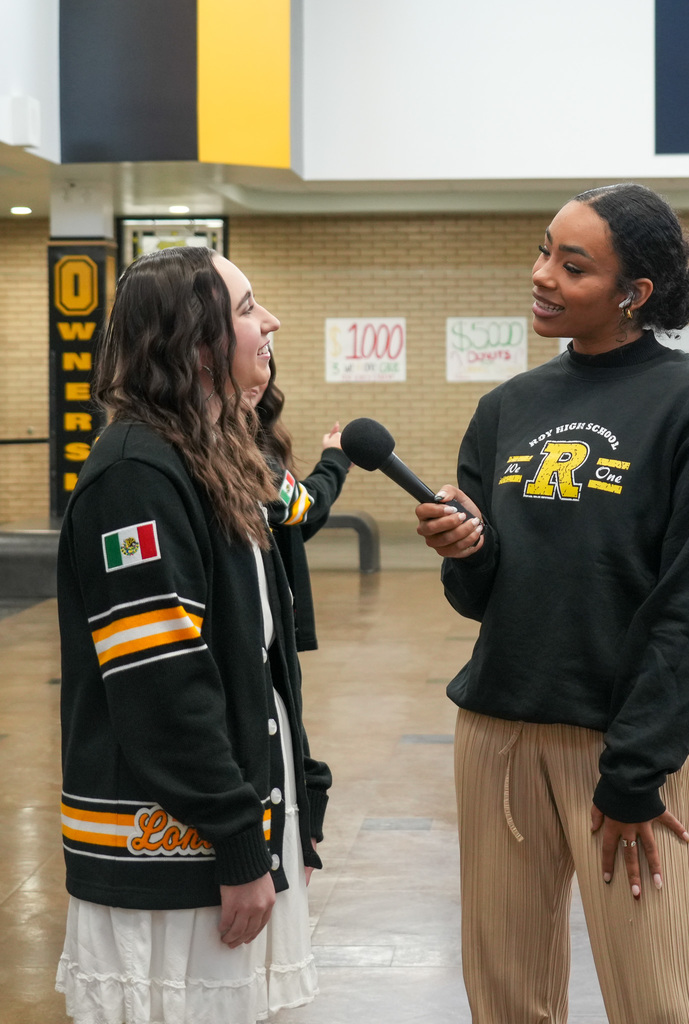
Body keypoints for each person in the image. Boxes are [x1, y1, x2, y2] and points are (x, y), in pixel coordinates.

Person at [415, 183, 689, 1023]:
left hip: (632, 745)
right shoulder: (508, 408)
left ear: (634, 294)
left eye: (572, 264)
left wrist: (637, 772)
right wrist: (468, 553)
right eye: (542, 252)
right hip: (499, 733)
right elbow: (481, 596)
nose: (542, 276)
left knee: (660, 999)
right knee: (506, 997)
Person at [55, 247, 332, 1024]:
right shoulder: (135, 473)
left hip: (234, 832)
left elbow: (264, 665)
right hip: (174, 854)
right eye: (247, 308)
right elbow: (162, 683)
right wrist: (241, 841)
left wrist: (295, 813)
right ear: (195, 343)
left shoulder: (217, 457)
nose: (269, 321)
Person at [250, 358, 350, 651]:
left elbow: (294, 523)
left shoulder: (257, 437)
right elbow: (304, 505)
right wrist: (334, 461)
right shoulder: (239, 448)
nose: (256, 384)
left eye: (264, 371)